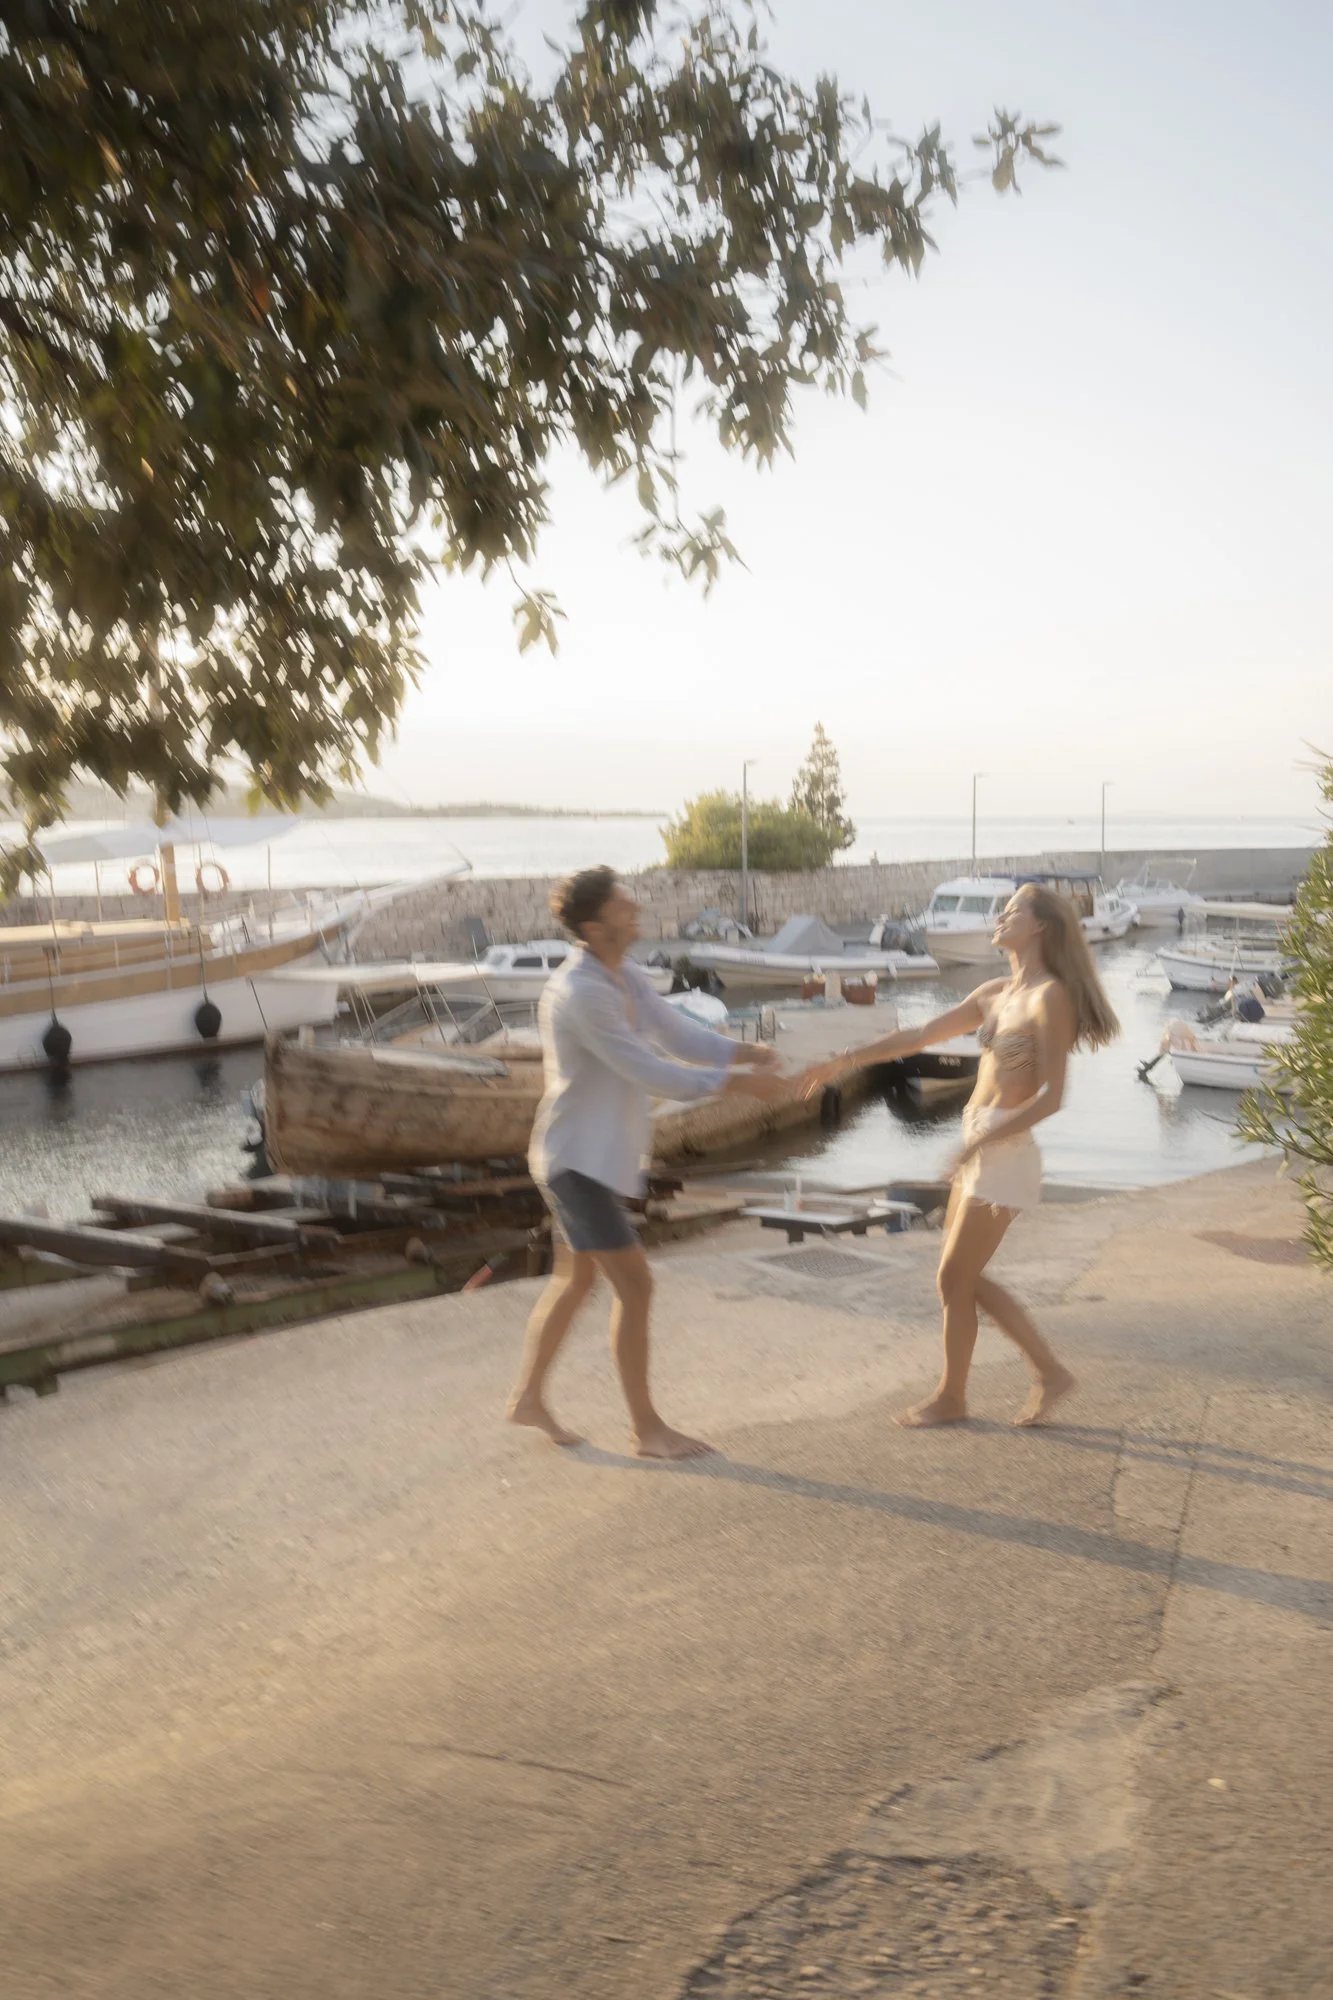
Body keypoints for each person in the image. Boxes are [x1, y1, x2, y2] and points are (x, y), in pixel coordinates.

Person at [507, 867, 792, 1459]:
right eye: (623, 905)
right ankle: (646, 1430)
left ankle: (528, 1398)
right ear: (594, 925)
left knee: (575, 1279)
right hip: (575, 1163)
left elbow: (678, 1035)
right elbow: (648, 1069)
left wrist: (743, 1049)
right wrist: (737, 1083)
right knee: (636, 1285)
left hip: (591, 1158)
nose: (636, 908)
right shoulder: (580, 992)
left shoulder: (623, 975)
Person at [813, 882, 1119, 1428]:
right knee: (955, 1279)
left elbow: (1052, 1098)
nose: (999, 918)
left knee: (957, 1275)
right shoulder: (995, 992)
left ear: (1040, 926)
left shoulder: (1050, 996)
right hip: (980, 1143)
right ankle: (998, 1384)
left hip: (1004, 1147)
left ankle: (994, 1386)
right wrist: (845, 1060)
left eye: (1012, 911)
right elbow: (922, 1035)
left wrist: (979, 1143)